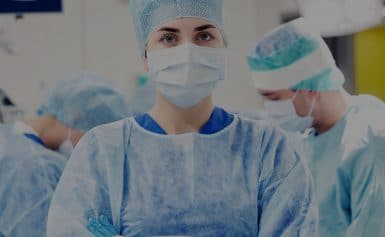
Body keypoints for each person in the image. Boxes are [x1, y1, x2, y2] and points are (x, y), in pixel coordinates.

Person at [47, 1, 317, 236]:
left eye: (204, 37)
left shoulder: (270, 150)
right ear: (146, 57)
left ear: (223, 48)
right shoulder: (103, 151)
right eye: (168, 38)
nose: (188, 51)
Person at [247, 17, 385, 236]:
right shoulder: (311, 140)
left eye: (274, 98)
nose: (270, 108)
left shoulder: (370, 138)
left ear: (308, 87)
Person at [0, 72, 130, 237]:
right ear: (77, 116)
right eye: (94, 138)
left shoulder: (8, 140)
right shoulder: (35, 168)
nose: (97, 151)